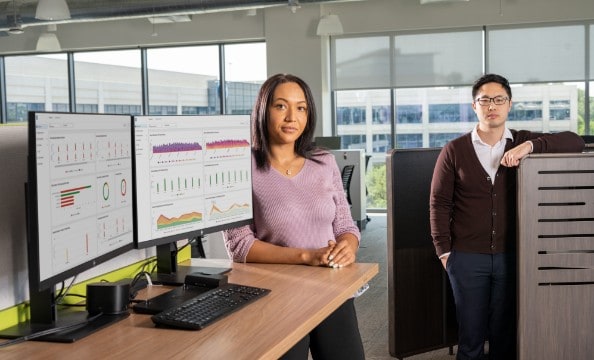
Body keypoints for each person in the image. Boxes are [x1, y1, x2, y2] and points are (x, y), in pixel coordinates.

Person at [429, 73, 585, 360]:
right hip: (465, 257)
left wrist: (531, 147)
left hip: (511, 256)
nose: (492, 105)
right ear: (474, 105)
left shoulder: (523, 140)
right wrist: (444, 252)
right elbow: (439, 203)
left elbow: (574, 141)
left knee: (505, 335)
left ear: (509, 105)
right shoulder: (455, 150)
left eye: (499, 99)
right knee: (471, 335)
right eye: (484, 100)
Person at [223, 73, 365, 360]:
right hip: (276, 295)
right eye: (281, 106)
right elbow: (239, 246)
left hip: (330, 287)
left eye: (301, 108)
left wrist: (348, 246)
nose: (292, 117)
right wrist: (307, 256)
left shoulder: (323, 161)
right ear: (264, 110)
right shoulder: (240, 166)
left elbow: (346, 226)